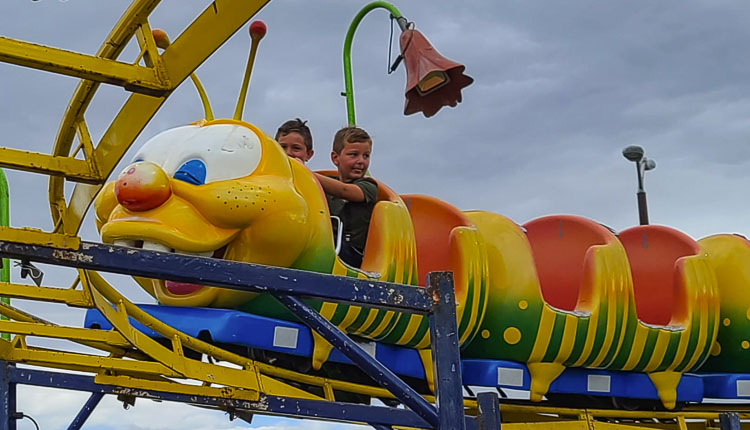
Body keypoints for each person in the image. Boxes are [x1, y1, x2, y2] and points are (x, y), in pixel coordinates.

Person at [314, 126, 377, 268]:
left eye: (366, 156)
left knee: (329, 241)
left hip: (354, 255)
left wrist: (307, 174)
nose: (361, 161)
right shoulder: (325, 185)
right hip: (327, 246)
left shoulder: (369, 186)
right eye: (354, 155)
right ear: (335, 158)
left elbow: (344, 191)